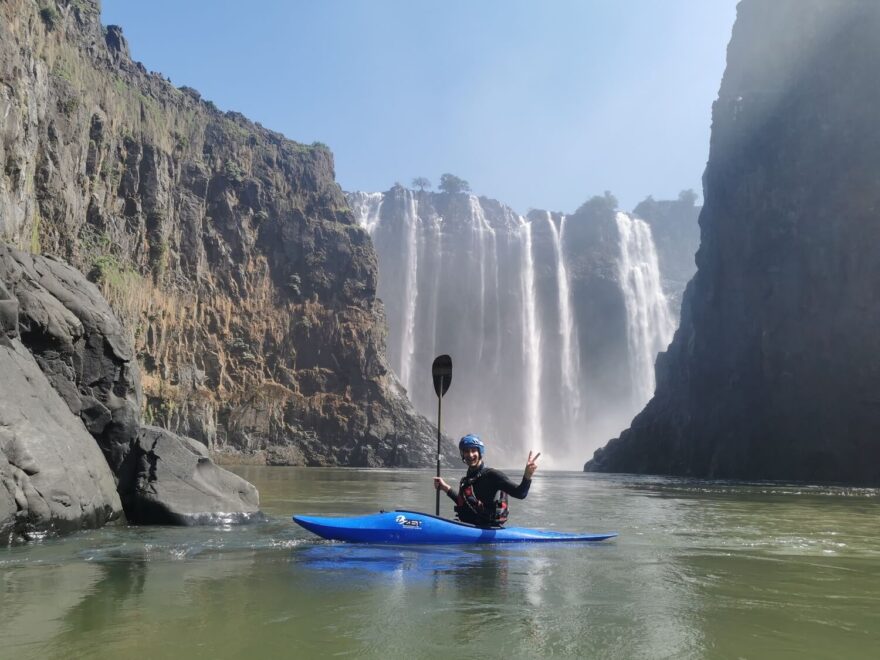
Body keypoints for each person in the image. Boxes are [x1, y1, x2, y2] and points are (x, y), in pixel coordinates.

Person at [433, 434, 540, 527]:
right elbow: (465, 503)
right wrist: (445, 488)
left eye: (473, 450)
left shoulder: (493, 475)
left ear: (480, 452)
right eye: (466, 451)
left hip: (487, 530)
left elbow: (521, 493)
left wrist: (527, 475)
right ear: (462, 454)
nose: (470, 455)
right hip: (470, 527)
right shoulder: (468, 478)